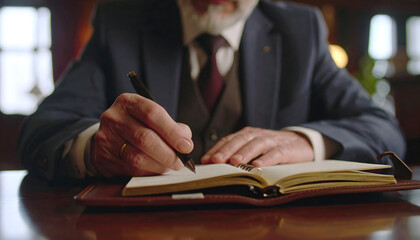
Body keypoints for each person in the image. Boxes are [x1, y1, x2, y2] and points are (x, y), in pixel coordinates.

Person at [18, 0, 405, 181]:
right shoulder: (119, 21)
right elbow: (43, 129)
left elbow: (383, 128)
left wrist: (305, 142)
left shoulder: (300, 29)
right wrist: (96, 149)